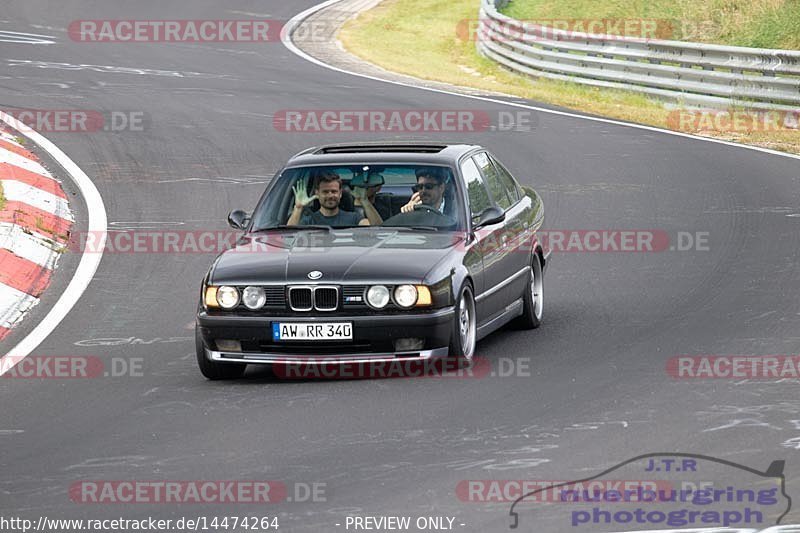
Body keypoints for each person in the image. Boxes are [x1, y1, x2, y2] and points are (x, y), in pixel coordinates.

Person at [287, 170, 382, 227]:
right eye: (325, 192)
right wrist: (298, 208)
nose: (330, 195)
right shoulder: (309, 220)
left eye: (334, 191)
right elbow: (288, 238)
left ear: (340, 193)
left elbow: (379, 230)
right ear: (317, 193)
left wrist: (364, 201)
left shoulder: (354, 218)